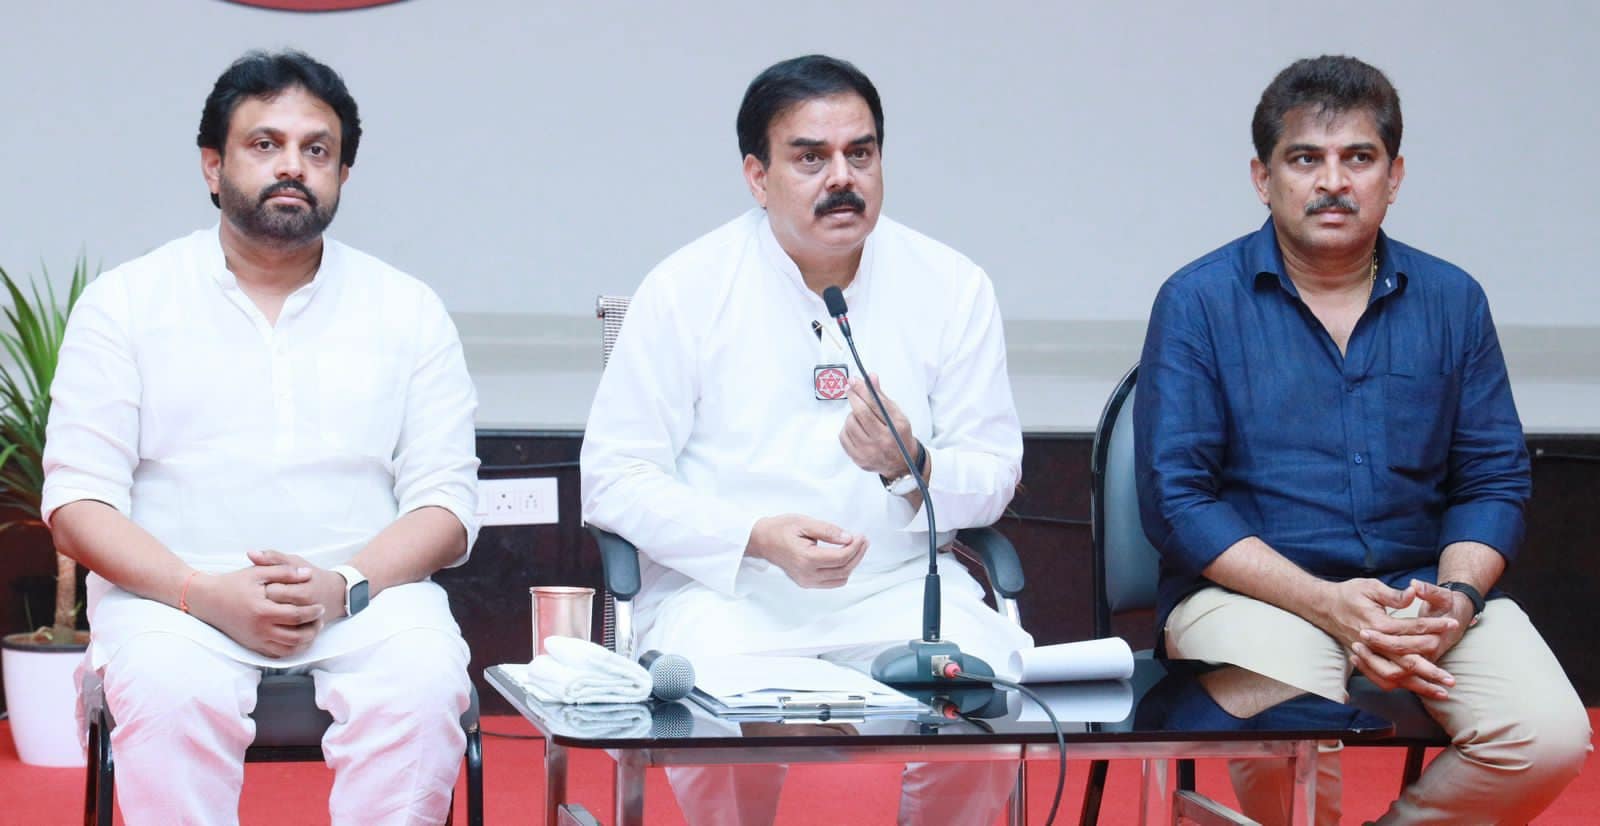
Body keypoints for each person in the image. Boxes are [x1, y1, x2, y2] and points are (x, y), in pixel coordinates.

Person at [1134, 54, 1590, 824]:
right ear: (1262, 177)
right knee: (1293, 722)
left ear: (1394, 175)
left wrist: (1457, 597)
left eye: (1358, 158)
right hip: (1254, 598)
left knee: (1545, 736)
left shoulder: (1452, 301)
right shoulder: (1198, 302)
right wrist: (1325, 603)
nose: (1333, 182)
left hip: (1419, 594)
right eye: (1305, 159)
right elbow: (1178, 502)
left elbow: (1492, 480)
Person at [580, 54, 1030, 824]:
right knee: (708, 696)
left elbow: (994, 472)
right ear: (757, 177)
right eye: (811, 158)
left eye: (861, 153)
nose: (842, 178)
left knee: (994, 688)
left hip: (897, 590)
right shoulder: (686, 288)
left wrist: (913, 466)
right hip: (730, 597)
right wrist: (754, 537)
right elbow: (614, 477)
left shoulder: (953, 286)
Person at [43, 50, 480, 826]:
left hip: (366, 598)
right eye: (264, 144)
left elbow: (445, 506)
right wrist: (201, 592)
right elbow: (77, 503)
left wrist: (343, 585)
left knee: (422, 684)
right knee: (168, 692)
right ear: (213, 166)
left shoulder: (407, 310)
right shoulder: (126, 303)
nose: (292, 166)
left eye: (317, 150)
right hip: (172, 598)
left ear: (343, 173)